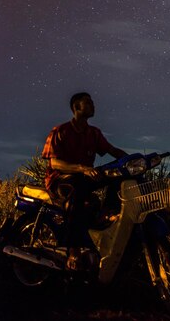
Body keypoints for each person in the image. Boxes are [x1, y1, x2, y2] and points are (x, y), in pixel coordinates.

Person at [42, 92, 127, 270]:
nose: (93, 105)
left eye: (92, 103)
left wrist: (133, 160)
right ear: (76, 108)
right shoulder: (61, 131)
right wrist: (82, 168)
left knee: (117, 175)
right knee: (78, 187)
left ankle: (107, 212)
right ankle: (72, 250)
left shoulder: (93, 133)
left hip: (84, 178)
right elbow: (54, 163)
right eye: (87, 103)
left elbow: (111, 150)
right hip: (60, 180)